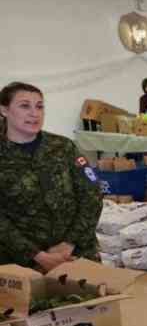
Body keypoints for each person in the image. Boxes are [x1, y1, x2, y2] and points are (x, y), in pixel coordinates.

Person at [0, 81, 103, 270]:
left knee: (95, 299)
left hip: (76, 255)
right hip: (20, 264)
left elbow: (92, 194)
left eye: (40, 106)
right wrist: (36, 255)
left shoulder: (63, 147)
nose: (34, 113)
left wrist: (69, 244)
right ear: (4, 110)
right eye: (25, 106)